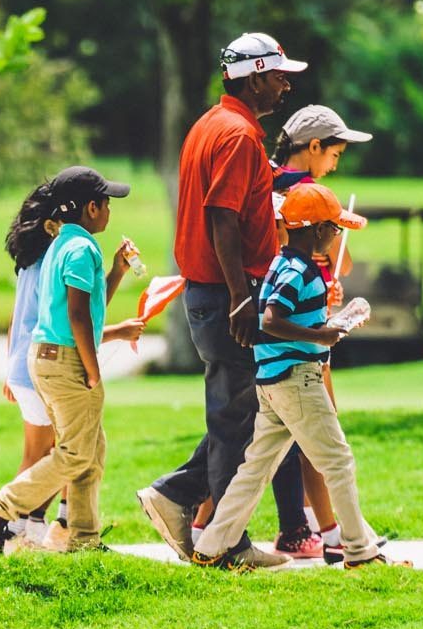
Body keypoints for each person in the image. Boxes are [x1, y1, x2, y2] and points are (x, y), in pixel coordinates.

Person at [136, 32, 316, 567]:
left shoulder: (211, 126)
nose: (285, 85)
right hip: (227, 293)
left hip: (211, 291)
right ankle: (224, 541)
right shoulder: (237, 134)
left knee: (240, 413)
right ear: (254, 76)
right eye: (279, 75)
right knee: (241, 416)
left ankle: (181, 499)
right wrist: (242, 295)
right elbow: (223, 216)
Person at [189, 182, 394, 569]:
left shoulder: (281, 265)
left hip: (272, 382)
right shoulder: (301, 270)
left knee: (256, 468)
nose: (337, 236)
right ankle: (359, 553)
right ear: (316, 229)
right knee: (338, 461)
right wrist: (323, 334)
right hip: (297, 380)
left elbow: (287, 317)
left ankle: (212, 547)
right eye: (334, 228)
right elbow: (272, 321)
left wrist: (332, 321)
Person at [0, 167, 143, 555]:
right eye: (107, 203)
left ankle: (83, 538)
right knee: (76, 452)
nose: (110, 211)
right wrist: (93, 370)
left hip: (44, 358)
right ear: (91, 208)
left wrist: (116, 271)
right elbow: (78, 317)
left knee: (91, 449)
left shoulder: (60, 243)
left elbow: (84, 308)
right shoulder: (81, 249)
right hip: (65, 361)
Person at [270, 104, 373, 556]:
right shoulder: (308, 194)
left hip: (271, 332)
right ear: (313, 147)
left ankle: (209, 529)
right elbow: (341, 260)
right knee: (323, 435)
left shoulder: (264, 184)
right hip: (303, 335)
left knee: (256, 445)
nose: (336, 163)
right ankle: (339, 537)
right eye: (334, 153)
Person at [0, 178, 65, 548]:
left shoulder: (27, 263)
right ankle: (3, 520)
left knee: (45, 453)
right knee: (55, 454)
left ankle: (28, 525)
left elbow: (15, 319)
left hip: (21, 368)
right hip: (38, 369)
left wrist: (9, 368)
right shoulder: (50, 264)